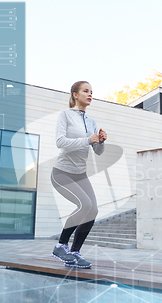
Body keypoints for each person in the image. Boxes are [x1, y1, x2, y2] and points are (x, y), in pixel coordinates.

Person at [51, 81, 107, 268]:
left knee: (93, 210)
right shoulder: (65, 115)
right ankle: (61, 245)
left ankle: (74, 252)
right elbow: (60, 142)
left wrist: (100, 141)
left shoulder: (91, 122)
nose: (90, 94)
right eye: (86, 91)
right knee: (85, 205)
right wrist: (86, 140)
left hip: (80, 174)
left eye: (92, 92)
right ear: (75, 95)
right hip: (61, 173)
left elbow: (97, 151)